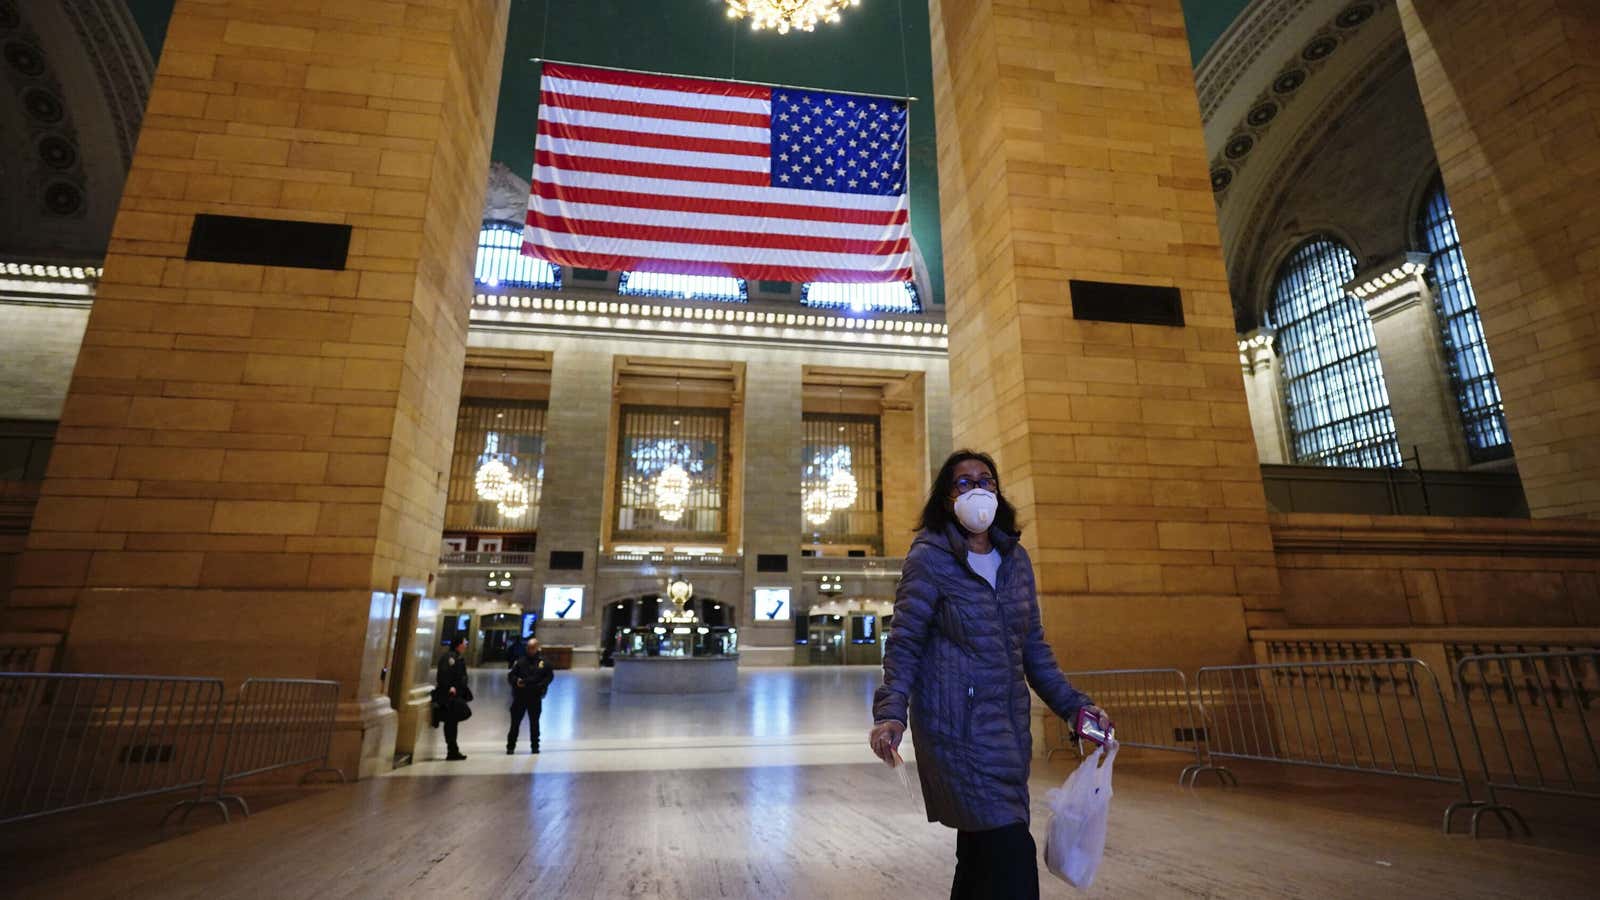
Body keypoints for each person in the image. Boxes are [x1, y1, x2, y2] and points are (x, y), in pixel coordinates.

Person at [869, 450, 1113, 900]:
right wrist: (891, 714)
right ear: (947, 498)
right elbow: (905, 641)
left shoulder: (1015, 559)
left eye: (986, 480)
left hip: (1007, 734)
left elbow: (1034, 649)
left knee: (980, 859)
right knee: (1010, 855)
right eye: (963, 483)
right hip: (955, 733)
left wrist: (1076, 708)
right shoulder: (929, 558)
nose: (977, 489)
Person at [506, 637, 554, 754]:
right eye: (528, 647)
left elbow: (549, 676)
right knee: (515, 723)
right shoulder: (520, 662)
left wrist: (541, 685)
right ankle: (510, 746)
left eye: (532, 648)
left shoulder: (543, 663)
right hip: (520, 697)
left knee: (534, 722)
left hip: (534, 697)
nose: (530, 650)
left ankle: (535, 746)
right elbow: (511, 676)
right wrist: (516, 681)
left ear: (537, 648)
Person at [433, 637, 473, 761]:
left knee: (452, 722)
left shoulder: (457, 658)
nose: (466, 645)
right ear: (458, 644)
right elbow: (443, 675)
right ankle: (452, 750)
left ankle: (453, 750)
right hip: (449, 697)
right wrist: (449, 687)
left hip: (455, 696)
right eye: (464, 643)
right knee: (453, 720)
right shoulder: (449, 658)